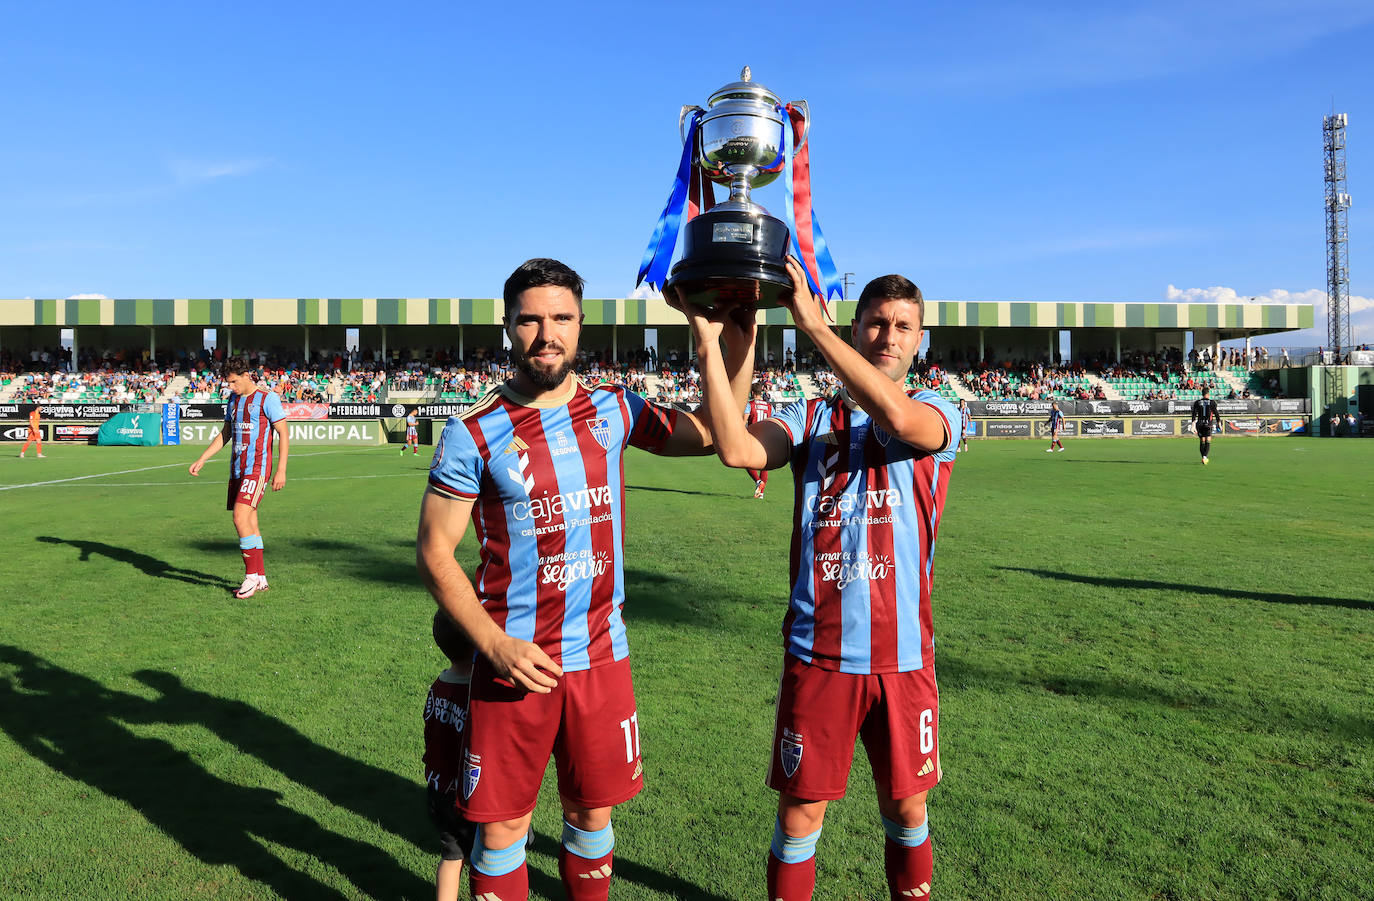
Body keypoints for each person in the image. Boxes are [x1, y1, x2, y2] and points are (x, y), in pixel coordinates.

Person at [416, 258, 752, 901]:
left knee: (592, 816)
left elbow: (715, 435)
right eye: (531, 319)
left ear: (580, 324)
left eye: (562, 318)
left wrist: (730, 345)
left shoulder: (614, 409)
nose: (548, 333)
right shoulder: (473, 432)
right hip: (515, 661)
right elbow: (435, 552)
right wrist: (492, 644)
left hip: (603, 657)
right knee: (504, 825)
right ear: (508, 325)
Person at [678, 259, 961, 901]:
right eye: (876, 324)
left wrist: (813, 330)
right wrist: (715, 340)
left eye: (902, 327)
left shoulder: (941, 411)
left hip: (903, 659)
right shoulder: (808, 419)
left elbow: (896, 418)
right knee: (801, 817)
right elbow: (738, 450)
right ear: (857, 327)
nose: (888, 337)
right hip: (820, 657)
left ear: (919, 339)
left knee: (908, 811)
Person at [188, 357, 289, 598]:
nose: (231, 387)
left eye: (234, 382)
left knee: (239, 517)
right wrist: (202, 458)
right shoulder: (233, 400)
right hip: (237, 469)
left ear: (246, 375)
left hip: (257, 468)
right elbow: (226, 433)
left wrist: (281, 470)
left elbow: (283, 434)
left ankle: (250, 577)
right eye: (228, 383)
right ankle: (261, 577)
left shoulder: (268, 399)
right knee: (250, 522)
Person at [424, 610, 476, 901]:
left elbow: (429, 731)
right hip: (467, 792)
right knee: (486, 855)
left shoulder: (438, 685)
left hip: (437, 788)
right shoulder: (474, 693)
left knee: (451, 856)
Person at [745, 389, 774, 497]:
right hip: (766, 437)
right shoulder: (769, 406)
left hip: (753, 437)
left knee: (746, 461)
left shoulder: (750, 404)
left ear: (752, 393)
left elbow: (744, 420)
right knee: (764, 465)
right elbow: (773, 420)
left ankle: (758, 481)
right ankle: (761, 493)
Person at [1190, 385, 1221, 464]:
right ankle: (1204, 457)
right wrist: (1219, 422)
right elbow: (1216, 413)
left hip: (1199, 424)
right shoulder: (1212, 402)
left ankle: (1203, 457)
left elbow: (1194, 414)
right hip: (1208, 423)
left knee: (1202, 440)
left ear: (1202, 394)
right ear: (1208, 394)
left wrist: (1193, 423)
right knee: (1208, 440)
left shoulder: (1197, 402)